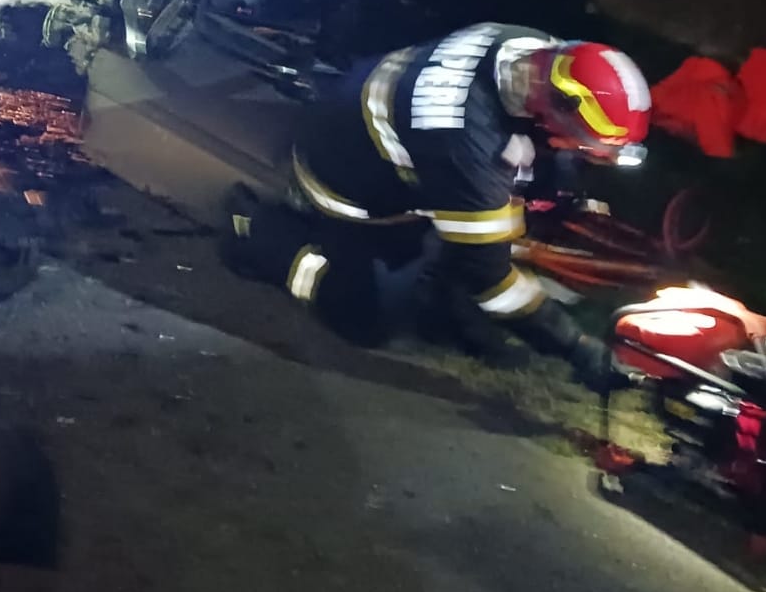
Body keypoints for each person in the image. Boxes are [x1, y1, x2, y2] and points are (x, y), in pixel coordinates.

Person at [224, 23, 652, 386]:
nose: (586, 154)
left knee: (481, 225)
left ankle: (447, 309)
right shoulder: (467, 143)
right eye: (586, 145)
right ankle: (264, 234)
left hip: (359, 125)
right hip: (346, 187)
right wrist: (576, 347)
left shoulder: (531, 50)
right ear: (553, 108)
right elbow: (492, 279)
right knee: (366, 320)